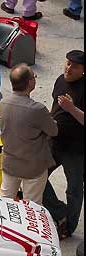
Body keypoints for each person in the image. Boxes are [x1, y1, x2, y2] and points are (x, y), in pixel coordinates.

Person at [0, 63, 58, 204]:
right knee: (32, 207)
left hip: (10, 163)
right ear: (30, 82)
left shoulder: (4, 103)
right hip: (33, 167)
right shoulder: (38, 109)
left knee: (5, 202)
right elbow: (53, 131)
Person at [43, 50, 84, 239]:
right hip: (54, 141)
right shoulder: (61, 80)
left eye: (74, 67)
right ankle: (60, 212)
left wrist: (72, 108)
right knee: (36, 177)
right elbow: (54, 107)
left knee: (74, 189)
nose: (68, 68)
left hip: (75, 150)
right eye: (67, 63)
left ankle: (69, 226)